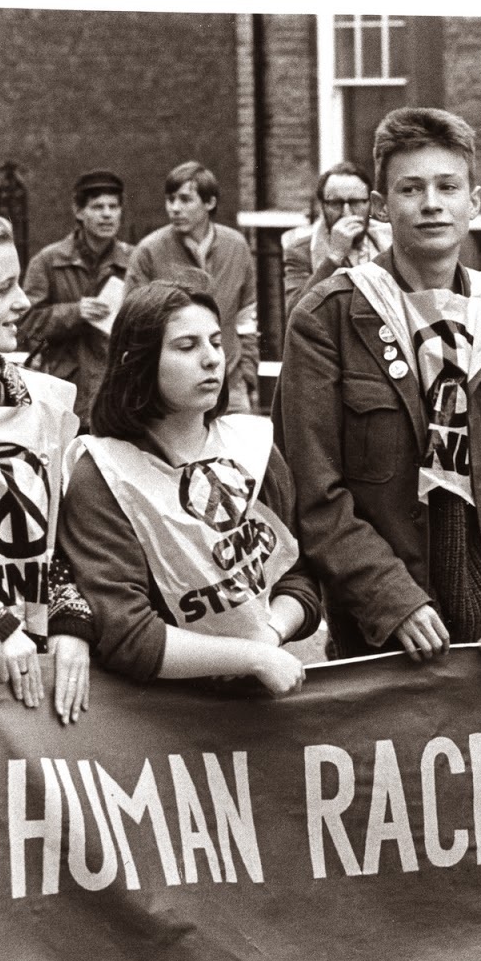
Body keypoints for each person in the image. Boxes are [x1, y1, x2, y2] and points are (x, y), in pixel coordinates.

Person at [275, 106, 481, 961]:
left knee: (465, 910)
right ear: (380, 204)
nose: (431, 204)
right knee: (368, 909)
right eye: (410, 188)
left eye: (448, 186)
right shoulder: (332, 318)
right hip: (382, 651)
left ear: (475, 199)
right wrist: (391, 598)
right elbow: (314, 490)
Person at [0, 206, 94, 926]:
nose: (24, 301)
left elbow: (59, 543)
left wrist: (69, 622)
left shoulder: (44, 404)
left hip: (34, 704)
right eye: (2, 289)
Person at [58, 280, 318, 700]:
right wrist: (251, 657)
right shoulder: (102, 474)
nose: (212, 358)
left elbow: (297, 577)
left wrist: (268, 638)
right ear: (137, 362)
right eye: (187, 346)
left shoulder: (252, 447)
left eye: (215, 341)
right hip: (160, 712)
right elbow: (130, 636)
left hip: (263, 693)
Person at [126, 161, 259, 413]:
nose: (174, 208)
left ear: (209, 203)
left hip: (230, 385)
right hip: (174, 391)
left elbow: (247, 317)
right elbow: (134, 325)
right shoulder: (149, 251)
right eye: (170, 199)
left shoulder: (236, 246)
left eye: (185, 199)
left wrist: (248, 375)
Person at [19, 169, 133, 426]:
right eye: (97, 207)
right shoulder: (48, 262)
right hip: (67, 392)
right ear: (79, 211)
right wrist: (75, 312)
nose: (107, 214)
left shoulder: (134, 262)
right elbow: (24, 326)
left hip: (120, 392)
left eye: (113, 207)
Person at [280, 160, 393, 314]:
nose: (346, 213)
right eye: (336, 203)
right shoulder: (300, 250)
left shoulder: (392, 241)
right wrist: (335, 256)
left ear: (370, 204)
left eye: (355, 202)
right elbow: (296, 313)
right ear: (322, 206)